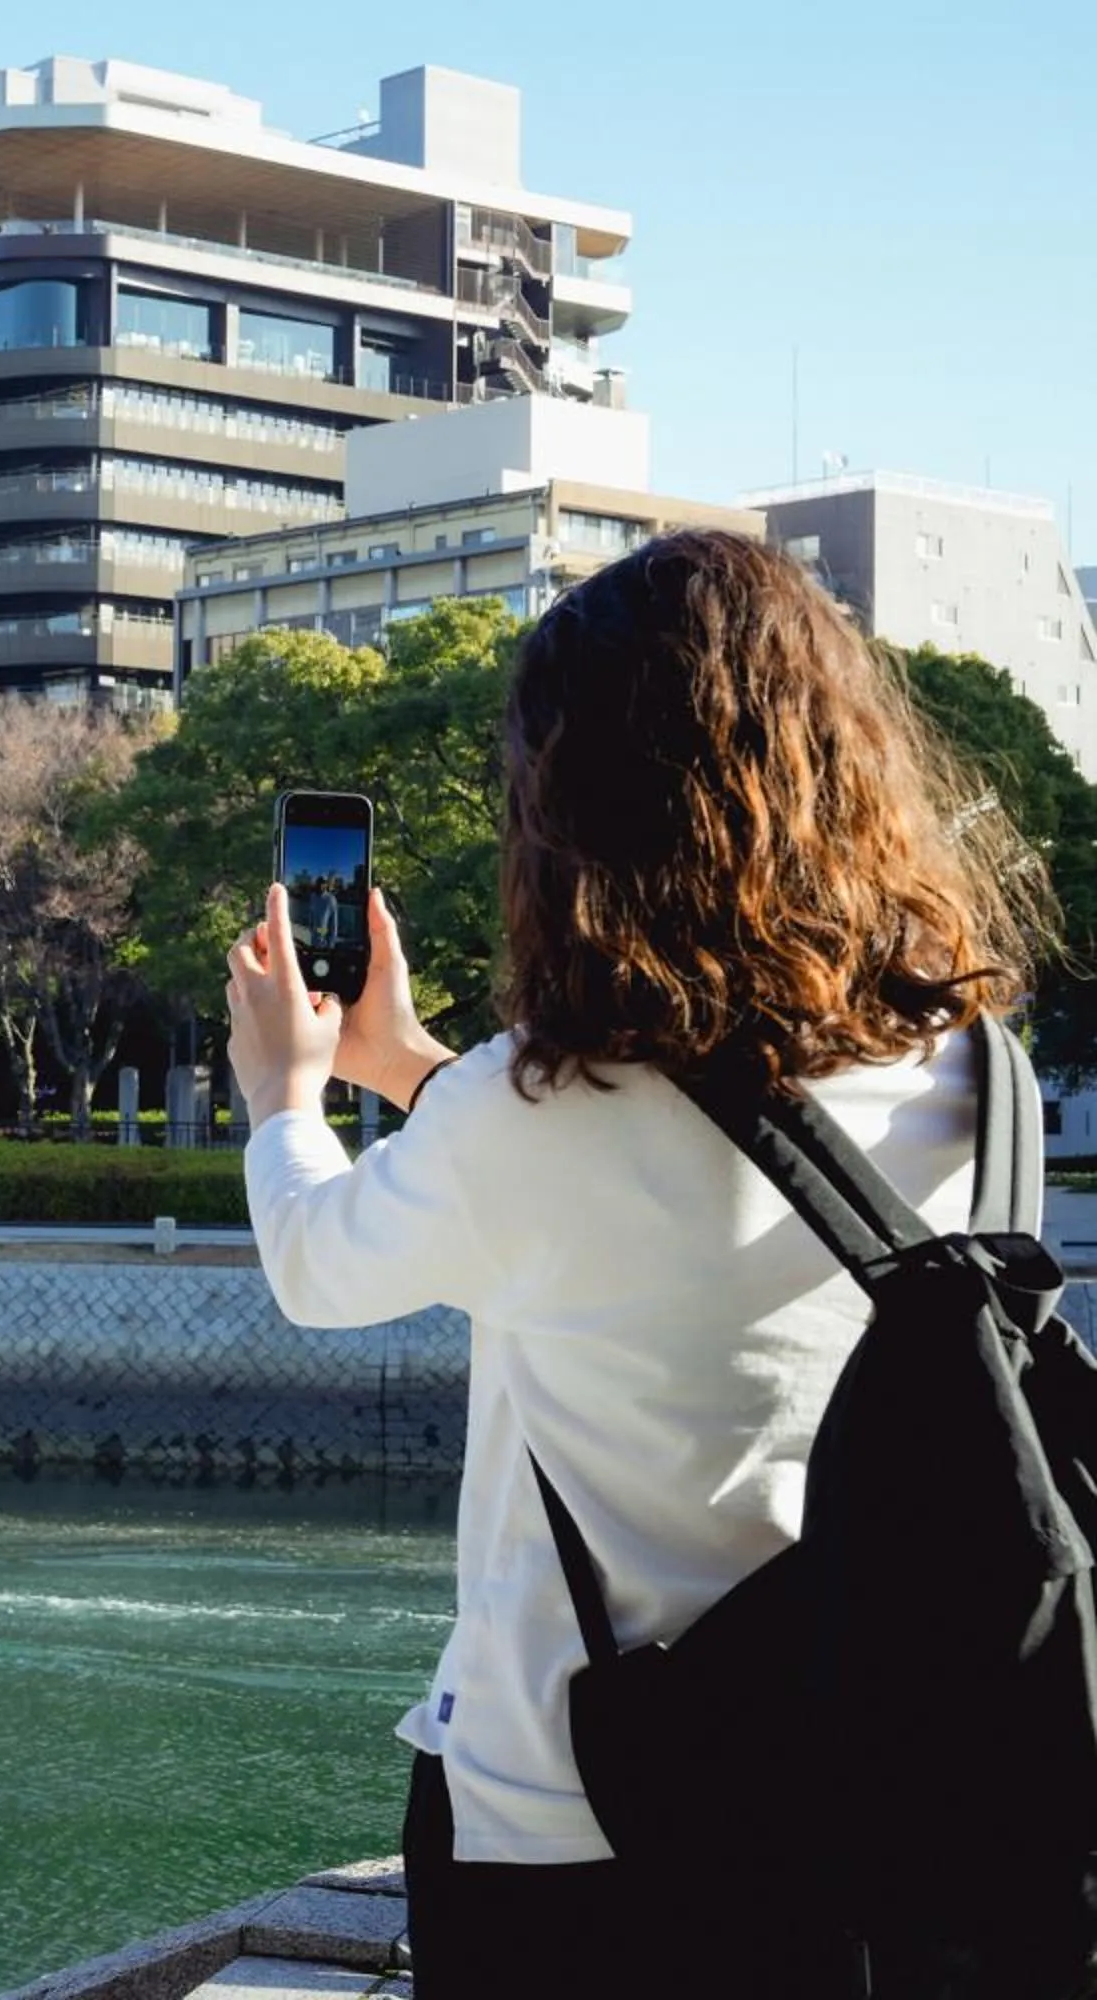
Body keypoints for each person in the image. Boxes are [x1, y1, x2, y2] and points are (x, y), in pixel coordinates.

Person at [220, 530, 1050, 1998]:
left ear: (576, 811)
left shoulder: (531, 1109)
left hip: (579, 1813)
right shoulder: (984, 1073)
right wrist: (409, 1064)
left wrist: (289, 1090)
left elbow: (316, 1262)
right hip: (887, 1792)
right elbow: (690, 1186)